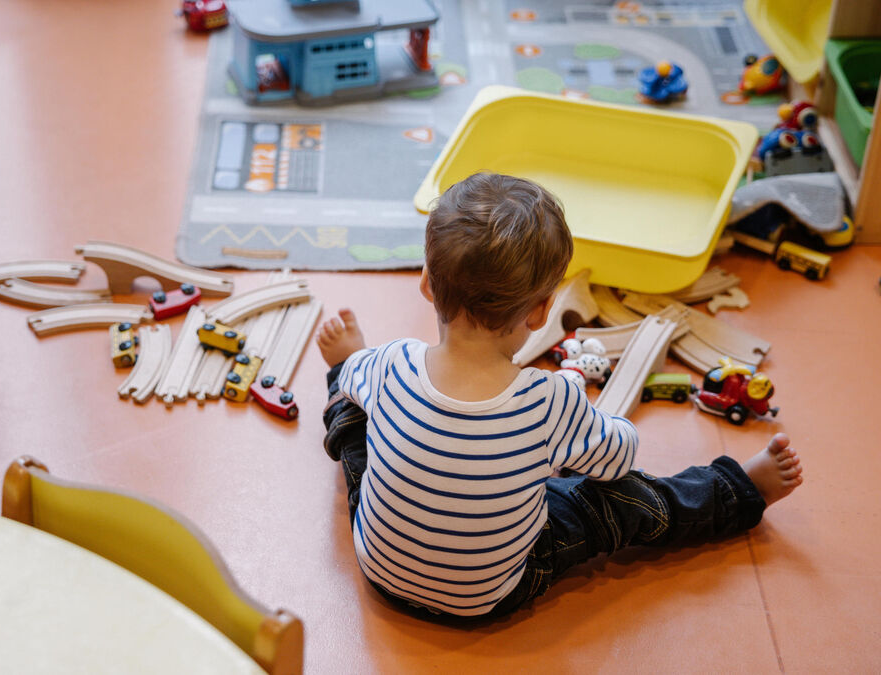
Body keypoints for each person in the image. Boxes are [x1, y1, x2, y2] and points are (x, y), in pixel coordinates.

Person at [315, 172, 802, 621]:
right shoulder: (550, 401)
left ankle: (339, 368)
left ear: (426, 282)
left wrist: (347, 367)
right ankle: (738, 491)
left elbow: (365, 384)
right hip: (489, 596)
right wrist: (581, 410)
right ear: (541, 310)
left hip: (381, 572)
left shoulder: (392, 362)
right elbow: (618, 460)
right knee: (623, 501)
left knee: (356, 419)